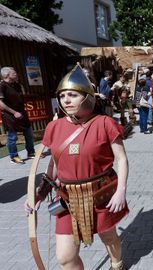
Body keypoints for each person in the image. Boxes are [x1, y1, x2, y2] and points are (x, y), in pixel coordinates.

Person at [24, 64, 129, 270]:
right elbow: (54, 163)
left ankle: (117, 265)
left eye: (72, 95)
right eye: (63, 96)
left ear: (86, 97)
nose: (66, 100)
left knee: (108, 237)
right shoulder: (54, 126)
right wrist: (40, 193)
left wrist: (121, 191)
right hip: (67, 198)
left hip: (100, 193)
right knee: (65, 258)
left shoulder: (105, 123)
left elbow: (122, 160)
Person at [0, 67, 38, 164]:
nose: (16, 74)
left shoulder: (17, 85)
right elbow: (1, 103)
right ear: (7, 75)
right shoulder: (2, 86)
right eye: (14, 73)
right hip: (10, 115)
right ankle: (14, 156)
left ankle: (31, 153)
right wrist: (14, 112)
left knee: (29, 134)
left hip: (22, 113)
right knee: (12, 138)